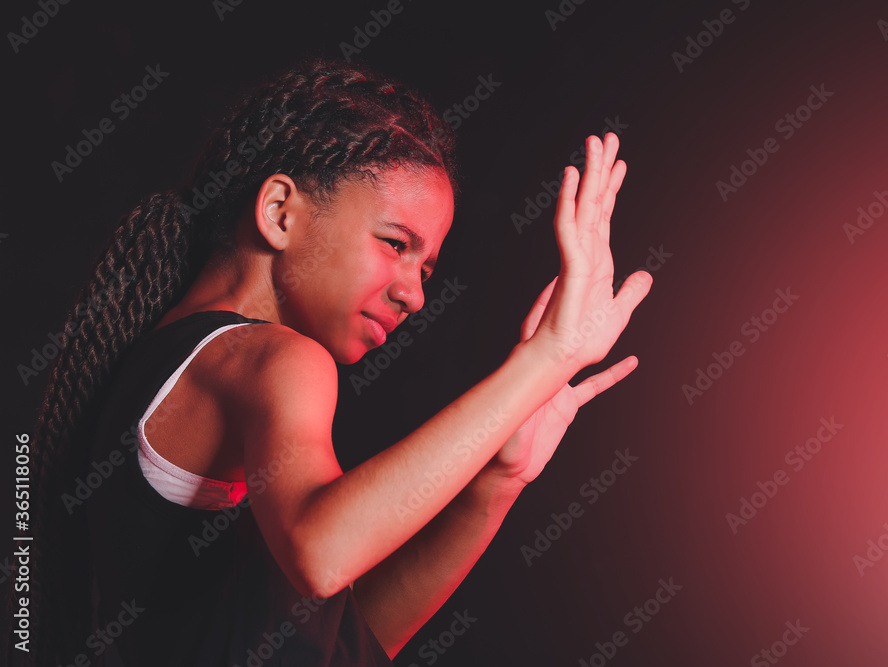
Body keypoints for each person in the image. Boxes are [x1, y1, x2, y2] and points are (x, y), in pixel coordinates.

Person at [7, 56, 652, 666]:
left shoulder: (173, 358)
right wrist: (548, 357)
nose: (415, 293)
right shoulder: (275, 360)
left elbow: (337, 643)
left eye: (426, 268)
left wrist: (496, 481)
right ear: (280, 212)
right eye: (396, 244)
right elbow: (325, 552)